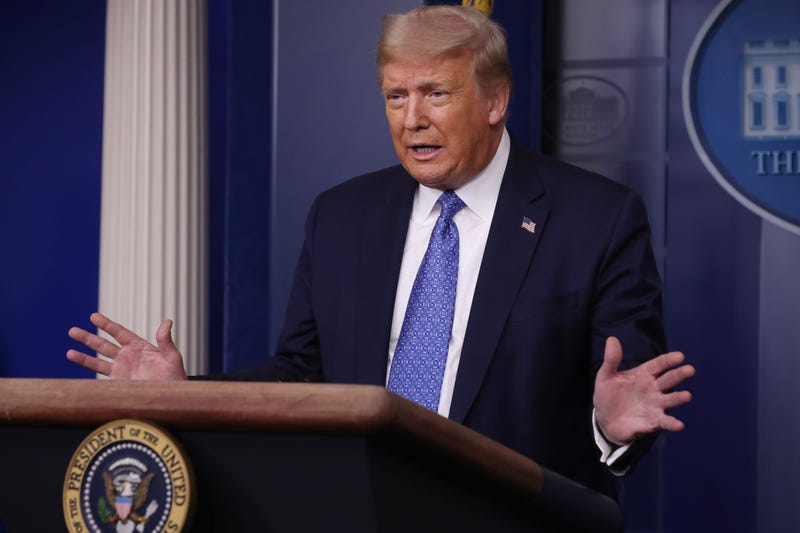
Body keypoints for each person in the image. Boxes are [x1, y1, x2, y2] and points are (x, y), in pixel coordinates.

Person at [67, 5, 693, 499]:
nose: (411, 120)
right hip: (356, 513)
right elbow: (301, 378)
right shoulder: (342, 216)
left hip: (512, 518)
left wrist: (607, 427)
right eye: (396, 97)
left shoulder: (597, 218)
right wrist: (186, 395)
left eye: (436, 94)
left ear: (495, 101)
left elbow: (624, 390)